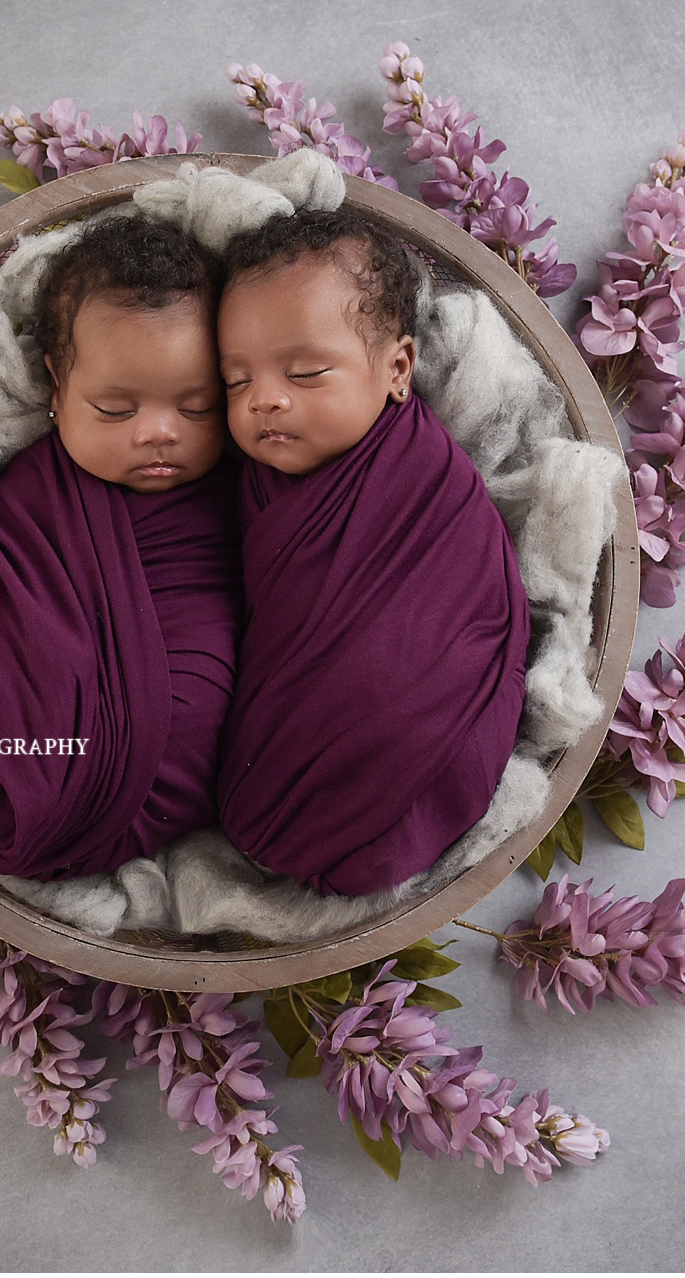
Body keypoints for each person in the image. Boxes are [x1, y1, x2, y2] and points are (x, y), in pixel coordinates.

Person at [0, 214, 243, 881]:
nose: (157, 433)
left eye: (197, 406)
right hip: (25, 780)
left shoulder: (244, 495)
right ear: (57, 388)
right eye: (116, 409)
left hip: (172, 784)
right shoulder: (24, 507)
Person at [214, 207, 530, 896]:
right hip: (277, 764)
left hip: (416, 744)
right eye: (236, 380)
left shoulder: (427, 485)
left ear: (397, 369)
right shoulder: (247, 485)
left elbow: (467, 608)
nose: (263, 399)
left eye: (304, 372)